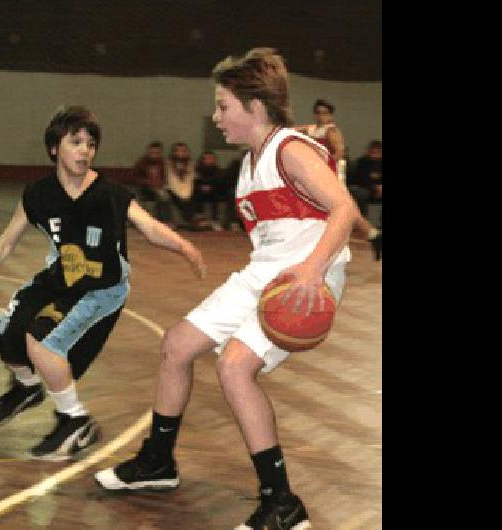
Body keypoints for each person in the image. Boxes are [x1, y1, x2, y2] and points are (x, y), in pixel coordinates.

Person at [95, 48, 360, 530]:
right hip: (266, 271)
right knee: (176, 345)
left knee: (234, 367)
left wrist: (313, 269)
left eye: (223, 106)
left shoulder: (290, 149)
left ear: (254, 107)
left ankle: (282, 505)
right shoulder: (248, 164)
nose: (216, 117)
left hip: (304, 277)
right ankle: (158, 462)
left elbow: (343, 207)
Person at [0, 106, 206, 461]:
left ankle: (75, 421)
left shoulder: (110, 194)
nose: (85, 151)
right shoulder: (39, 194)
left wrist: (185, 247)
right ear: (55, 147)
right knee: (4, 333)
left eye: (91, 144)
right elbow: (7, 239)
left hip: (101, 287)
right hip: (62, 275)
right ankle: (26, 388)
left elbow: (149, 227)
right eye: (76, 142)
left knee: (41, 342)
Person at [296, 99, 382, 260]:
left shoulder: (332, 131)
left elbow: (339, 152)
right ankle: (374, 235)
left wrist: (323, 165)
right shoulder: (313, 128)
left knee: (339, 210)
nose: (322, 116)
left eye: (325, 113)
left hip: (331, 174)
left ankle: (369, 237)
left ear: (330, 114)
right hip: (319, 175)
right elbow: (293, 130)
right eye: (319, 112)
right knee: (345, 210)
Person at [133, 141, 171, 222]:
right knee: (160, 196)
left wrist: (162, 184)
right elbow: (135, 177)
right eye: (152, 152)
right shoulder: (142, 163)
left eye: (156, 153)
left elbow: (166, 177)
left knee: (164, 196)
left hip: (160, 187)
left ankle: (165, 220)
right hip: (146, 187)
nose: (154, 155)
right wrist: (146, 182)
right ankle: (163, 220)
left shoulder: (163, 163)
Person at [191, 150, 227, 229]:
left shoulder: (218, 170)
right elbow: (196, 181)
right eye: (206, 158)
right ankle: (199, 217)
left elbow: (220, 183)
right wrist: (202, 186)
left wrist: (210, 187)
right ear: (202, 160)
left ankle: (215, 220)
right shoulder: (197, 170)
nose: (209, 161)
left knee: (216, 193)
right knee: (195, 193)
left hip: (214, 192)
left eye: (211, 158)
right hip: (200, 191)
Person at [164, 142, 197, 228]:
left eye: (183, 151)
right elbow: (169, 179)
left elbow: (191, 179)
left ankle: (190, 221)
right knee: (168, 196)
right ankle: (188, 221)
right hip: (172, 189)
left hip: (188, 190)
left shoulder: (191, 164)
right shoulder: (167, 164)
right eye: (177, 151)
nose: (180, 153)